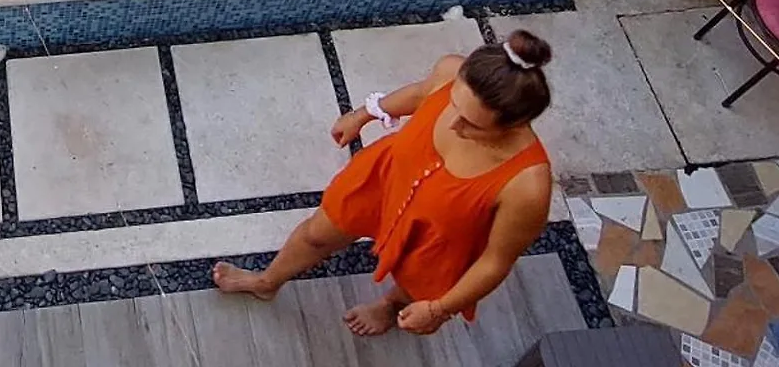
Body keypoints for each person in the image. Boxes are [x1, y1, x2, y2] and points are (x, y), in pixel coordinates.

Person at [213, 31, 555, 337]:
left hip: (438, 234)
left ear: (515, 124)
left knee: (415, 285)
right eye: (454, 106)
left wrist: (438, 309)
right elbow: (419, 94)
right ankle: (267, 281)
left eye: (472, 125)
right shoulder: (450, 70)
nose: (454, 125)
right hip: (383, 182)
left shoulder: (527, 186)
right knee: (316, 234)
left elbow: (495, 261)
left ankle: (390, 306)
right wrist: (364, 114)